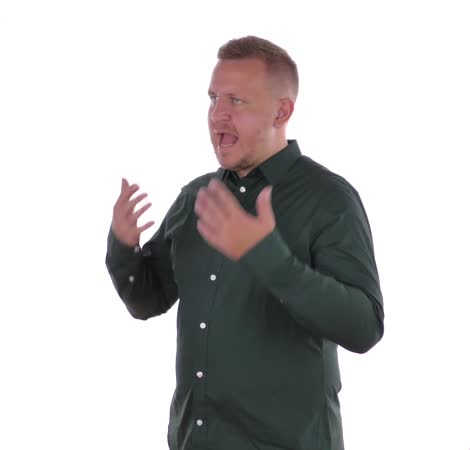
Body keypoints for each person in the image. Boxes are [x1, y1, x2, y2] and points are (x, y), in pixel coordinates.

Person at [106, 35, 384, 450]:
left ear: (282, 112)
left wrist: (268, 258)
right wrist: (124, 249)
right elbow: (148, 300)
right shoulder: (196, 198)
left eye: (236, 101)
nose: (217, 115)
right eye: (213, 98)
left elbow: (364, 328)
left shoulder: (329, 199)